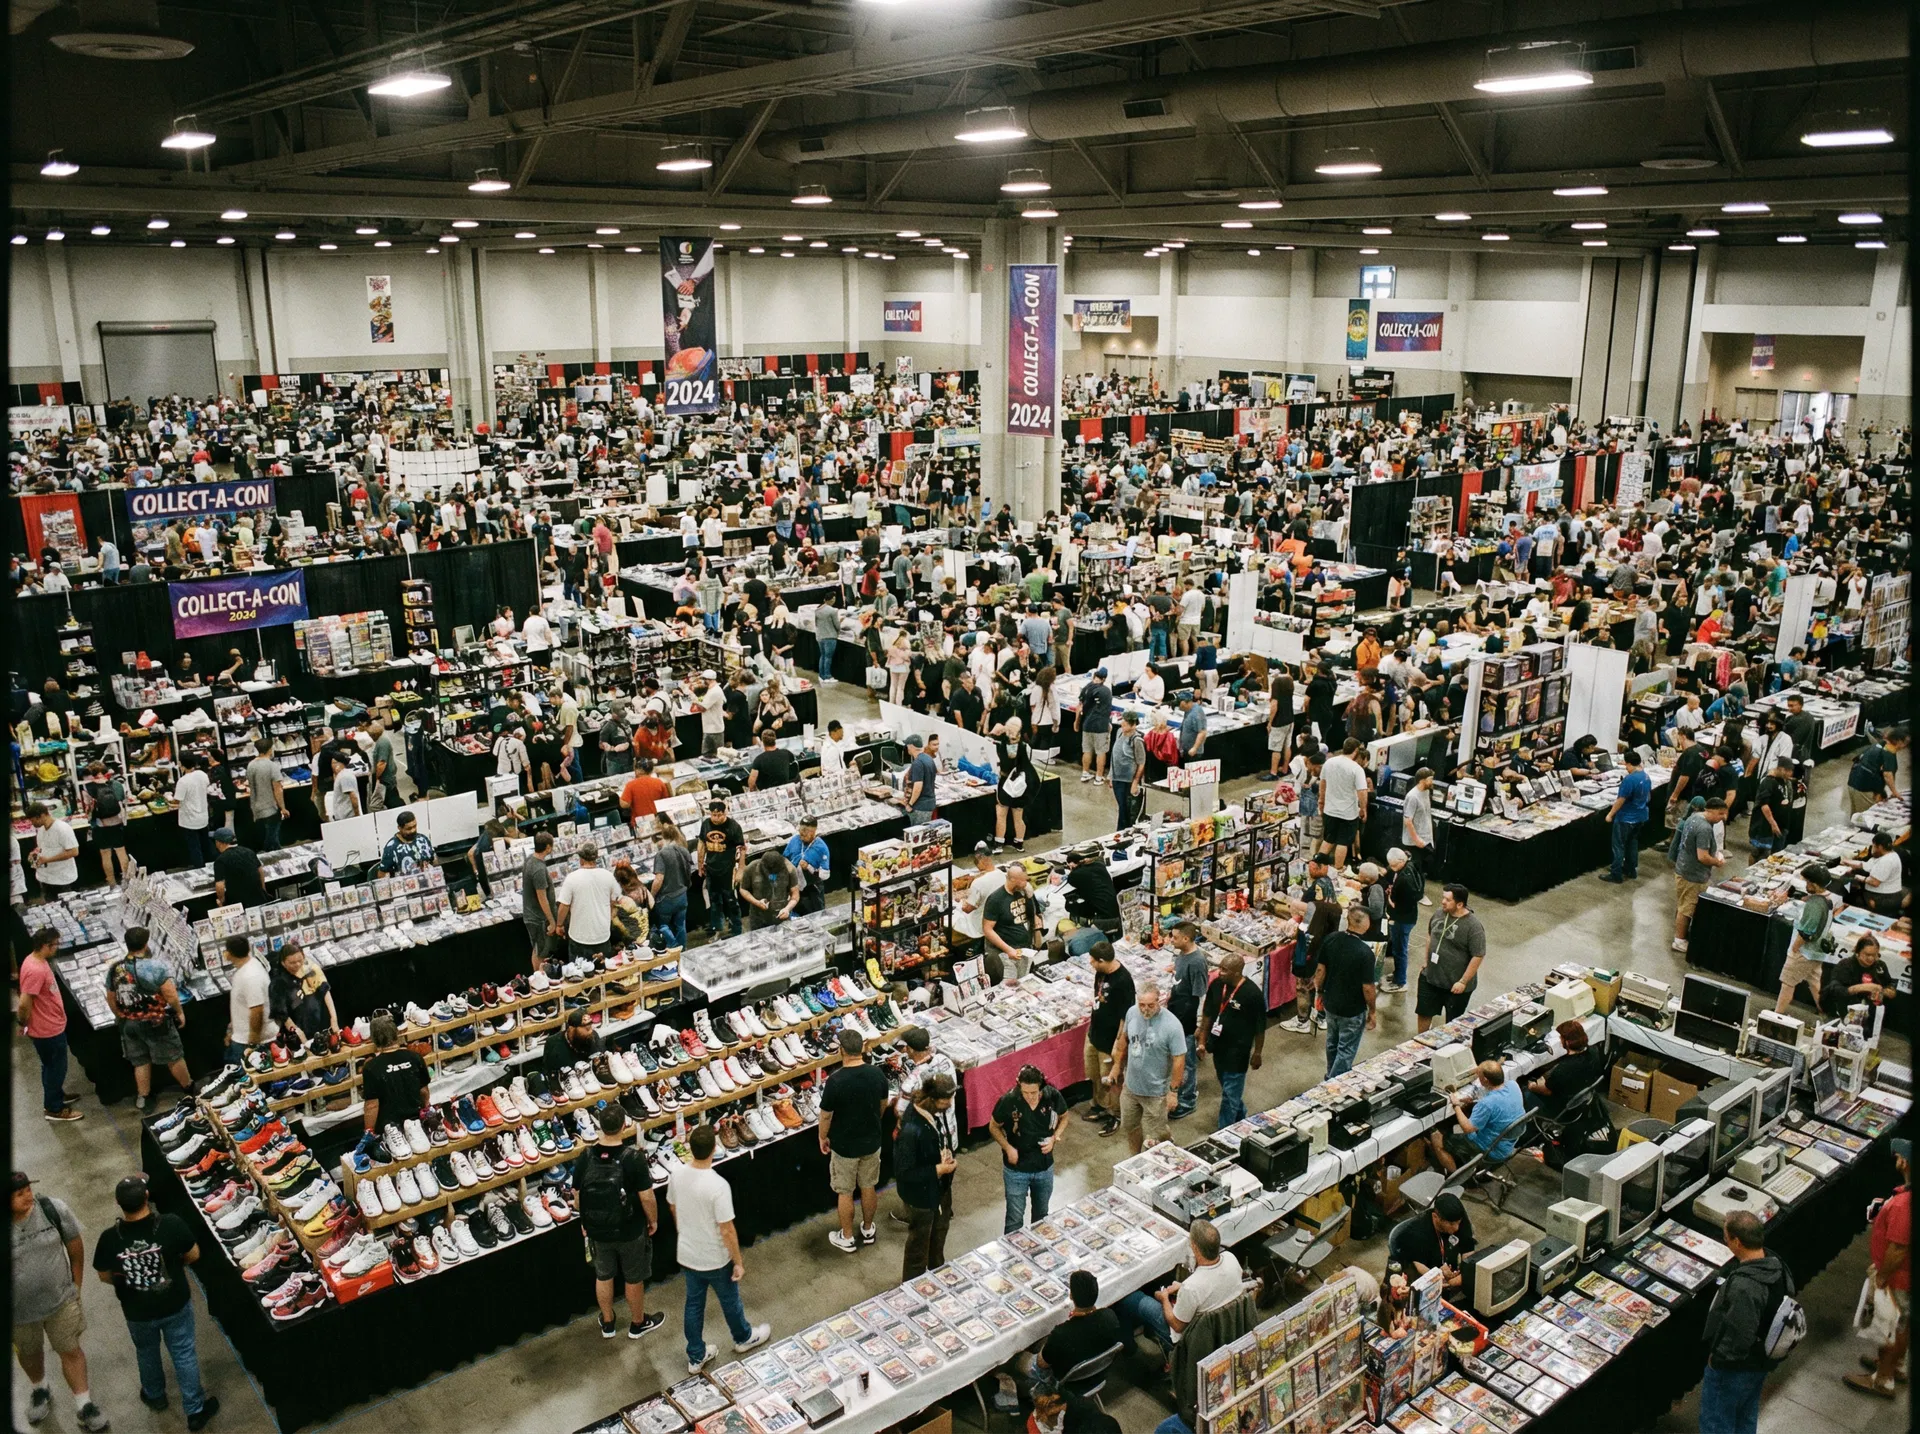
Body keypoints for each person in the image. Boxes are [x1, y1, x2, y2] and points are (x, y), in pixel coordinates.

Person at [92, 1175, 218, 1431]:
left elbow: (104, 1275)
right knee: (183, 1353)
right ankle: (194, 1411)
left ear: (118, 1202)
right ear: (147, 1196)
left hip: (136, 1310)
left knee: (146, 1351)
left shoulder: (110, 1238)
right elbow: (194, 1254)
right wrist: (173, 1267)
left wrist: (133, 1283)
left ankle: (155, 1395)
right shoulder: (171, 1224)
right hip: (174, 1304)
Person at [668, 1124, 771, 1373]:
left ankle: (696, 1356)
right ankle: (743, 1337)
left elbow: (672, 1206)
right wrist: (738, 1261)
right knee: (730, 1300)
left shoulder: (676, 1175)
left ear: (690, 1148)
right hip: (715, 1257)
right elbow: (727, 1229)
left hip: (688, 1253)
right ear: (714, 1149)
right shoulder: (718, 1186)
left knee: (693, 1305)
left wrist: (684, 1231)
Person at [12, 1172, 111, 1431]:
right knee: (29, 1353)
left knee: (71, 1350)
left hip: (61, 1303)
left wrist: (76, 1287)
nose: (28, 1196)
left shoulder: (53, 1210)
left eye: (28, 1189)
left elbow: (75, 1247)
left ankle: (84, 1405)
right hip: (19, 1313)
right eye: (20, 1193)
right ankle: (40, 1388)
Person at [575, 1105, 665, 1341]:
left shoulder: (585, 1157)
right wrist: (653, 1220)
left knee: (603, 1275)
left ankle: (608, 1323)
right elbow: (647, 1197)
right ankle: (637, 1323)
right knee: (634, 1277)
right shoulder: (633, 1158)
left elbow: (577, 1195)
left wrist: (586, 1219)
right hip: (630, 1229)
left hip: (597, 1230)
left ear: (600, 1127)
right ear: (624, 1126)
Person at [1700, 1210, 1794, 1434]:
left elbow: (1740, 1333)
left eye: (1726, 1237)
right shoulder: (1775, 1265)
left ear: (1737, 1242)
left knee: (1717, 1424)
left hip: (1734, 1369)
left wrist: (1718, 1361)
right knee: (1745, 1417)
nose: (1725, 1241)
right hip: (1758, 1363)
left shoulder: (1745, 1287)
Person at [1115, 1219, 1242, 1369]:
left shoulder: (1192, 1287)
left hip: (1191, 1337)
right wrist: (1181, 1286)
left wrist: (1164, 1299)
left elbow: (1176, 1326)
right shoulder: (1231, 1259)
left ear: (1194, 1247)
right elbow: (1214, 1283)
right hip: (1224, 1325)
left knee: (1129, 1299)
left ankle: (1129, 1350)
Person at [1845, 1137, 1910, 1398]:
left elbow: (1899, 1248)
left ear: (1905, 1163)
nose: (1897, 1160)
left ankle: (1883, 1379)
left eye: (1899, 1157)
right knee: (1903, 1323)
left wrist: (1882, 1277)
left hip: (1899, 1277)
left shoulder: (1905, 1205)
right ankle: (1896, 1365)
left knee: (1893, 1325)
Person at [104, 929, 190, 1113]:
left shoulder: (115, 968)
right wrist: (179, 1012)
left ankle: (143, 1097)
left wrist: (120, 1015)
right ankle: (189, 1087)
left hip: (129, 1023)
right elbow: (170, 994)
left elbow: (110, 997)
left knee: (140, 1060)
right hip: (155, 1021)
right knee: (173, 1056)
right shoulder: (155, 967)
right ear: (145, 944)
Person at [819, 1027, 888, 1253]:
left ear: (841, 1050)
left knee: (845, 1192)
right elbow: (883, 1104)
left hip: (844, 1146)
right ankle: (868, 1229)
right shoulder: (877, 1074)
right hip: (872, 1141)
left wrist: (822, 1137)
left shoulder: (835, 1081)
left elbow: (826, 1115)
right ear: (862, 1048)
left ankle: (847, 1237)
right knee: (869, 1186)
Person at [1108, 981, 1186, 1156]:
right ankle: (1135, 1158)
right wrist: (1116, 1066)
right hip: (1131, 1087)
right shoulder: (1132, 1013)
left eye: (1150, 1005)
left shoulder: (1172, 1026)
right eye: (1141, 1005)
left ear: (1159, 1001)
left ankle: (1167, 1145)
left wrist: (1173, 1092)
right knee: (1130, 1126)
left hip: (1156, 1093)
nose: (1145, 1010)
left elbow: (1179, 1060)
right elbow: (1123, 1041)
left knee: (1156, 1135)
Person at [990, 1064, 1069, 1232]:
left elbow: (1064, 1116)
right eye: (1025, 1092)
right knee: (1014, 1219)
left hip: (1043, 1166)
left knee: (1041, 1217)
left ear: (1041, 1087)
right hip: (1016, 1170)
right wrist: (1007, 1147)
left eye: (1034, 1092)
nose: (1029, 1097)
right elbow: (994, 1126)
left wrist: (1054, 1138)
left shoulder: (1051, 1095)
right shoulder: (1009, 1100)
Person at [894, 1073, 958, 1278]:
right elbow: (905, 1173)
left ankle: (937, 1276)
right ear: (931, 1099)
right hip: (920, 1199)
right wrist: (939, 1169)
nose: (949, 1104)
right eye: (945, 1101)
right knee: (918, 1248)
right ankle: (913, 1286)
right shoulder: (911, 1130)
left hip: (939, 1191)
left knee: (938, 1239)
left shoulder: (932, 1115)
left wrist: (942, 1155)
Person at [19, 927, 81, 1123]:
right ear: (46, 945)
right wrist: (23, 1023)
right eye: (55, 944)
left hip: (50, 1025)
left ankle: (56, 1095)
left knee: (51, 1066)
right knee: (56, 1068)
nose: (57, 947)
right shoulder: (35, 970)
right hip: (47, 1030)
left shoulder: (36, 961)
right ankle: (54, 1108)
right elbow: (24, 1003)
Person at [1197, 953, 1263, 1129]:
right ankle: (1241, 1115)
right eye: (1220, 968)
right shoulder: (1217, 985)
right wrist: (1202, 1041)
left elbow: (1259, 1027)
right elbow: (1208, 1014)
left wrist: (1257, 1053)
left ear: (1236, 972)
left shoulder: (1252, 994)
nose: (1220, 972)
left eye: (1224, 970)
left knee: (1229, 1095)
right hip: (1218, 1047)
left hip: (1238, 1052)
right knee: (1228, 1089)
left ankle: (1223, 1132)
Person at [1429, 1060, 1525, 1174]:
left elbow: (1467, 1128)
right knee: (1468, 1114)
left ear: (1485, 1080)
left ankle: (1458, 1176)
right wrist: (1474, 1099)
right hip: (1507, 1144)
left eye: (1479, 1076)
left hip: (1490, 1150)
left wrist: (1456, 1105)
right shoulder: (1513, 1085)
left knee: (1437, 1138)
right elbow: (1496, 1098)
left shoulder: (1486, 1104)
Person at [1316, 906, 1379, 1078]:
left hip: (1331, 1003)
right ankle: (1333, 1083)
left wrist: (1320, 992)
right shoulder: (1365, 952)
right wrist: (1372, 1011)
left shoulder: (1331, 939)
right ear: (1365, 923)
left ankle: (1330, 1075)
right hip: (1352, 1010)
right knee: (1346, 1049)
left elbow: (1320, 971)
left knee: (1332, 1042)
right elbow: (1368, 987)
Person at [356, 1015, 428, 1162]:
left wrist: (369, 1133)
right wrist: (426, 1112)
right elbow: (424, 1091)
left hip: (387, 1127)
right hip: (415, 1121)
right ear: (397, 1034)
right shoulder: (415, 1057)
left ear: (373, 1039)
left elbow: (371, 1105)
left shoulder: (371, 1067)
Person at [1415, 884, 1485, 1032]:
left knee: (1453, 1022)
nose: (1442, 902)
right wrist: (1426, 961)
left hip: (1455, 985)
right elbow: (1430, 935)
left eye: (1448, 900)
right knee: (1424, 1012)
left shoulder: (1473, 926)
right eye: (1443, 898)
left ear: (1459, 904)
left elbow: (1478, 955)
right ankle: (1420, 1040)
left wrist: (1463, 982)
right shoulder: (1439, 913)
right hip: (1430, 978)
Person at [1083, 942, 1133, 1137]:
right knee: (1094, 1074)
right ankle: (1101, 1106)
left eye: (1093, 961)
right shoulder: (1101, 972)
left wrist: (1118, 1044)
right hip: (1094, 1033)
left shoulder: (1123, 981)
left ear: (1102, 960)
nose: (1091, 963)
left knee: (1111, 1080)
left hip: (1110, 1039)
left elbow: (1125, 1017)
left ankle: (1116, 1115)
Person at [1035, 1270, 1122, 1382]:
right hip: (1100, 1372)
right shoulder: (1110, 1316)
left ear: (1071, 1296)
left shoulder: (1061, 1334)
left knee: (1023, 1358)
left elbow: (1042, 1364)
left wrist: (1046, 1342)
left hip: (1070, 1381)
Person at [1387, 1192, 1476, 1294]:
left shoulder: (1459, 1218)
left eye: (1458, 1222)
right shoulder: (1416, 1233)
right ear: (1435, 1217)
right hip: (1425, 1277)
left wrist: (1464, 1273)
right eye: (1451, 1224)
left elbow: (1468, 1250)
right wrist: (1436, 1278)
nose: (1456, 1228)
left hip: (1451, 1274)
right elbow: (1417, 1263)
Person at [1777, 863, 1837, 1013]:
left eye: (1808, 882)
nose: (1806, 885)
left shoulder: (1814, 905)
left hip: (1804, 952)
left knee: (1787, 983)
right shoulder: (1828, 898)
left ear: (1815, 884)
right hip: (1817, 952)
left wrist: (1795, 949)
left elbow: (1806, 932)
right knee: (1815, 983)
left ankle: (1776, 1014)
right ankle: (1824, 1012)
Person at [1672, 795, 1729, 954]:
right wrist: (1717, 862)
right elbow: (1702, 857)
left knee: (1683, 903)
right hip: (1693, 875)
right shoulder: (1704, 829)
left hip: (1683, 868)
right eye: (1720, 814)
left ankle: (1680, 932)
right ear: (1710, 810)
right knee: (1687, 908)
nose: (1723, 818)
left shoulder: (1694, 817)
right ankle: (1679, 940)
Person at [1165, 922, 1209, 1121]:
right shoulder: (1182, 955)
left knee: (1187, 1062)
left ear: (1186, 938)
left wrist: (1199, 1025)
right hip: (1177, 1013)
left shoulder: (1197, 962)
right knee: (1177, 1058)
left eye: (1174, 937)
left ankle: (1188, 1100)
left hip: (1188, 1019)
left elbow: (1201, 995)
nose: (1171, 940)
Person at [557, 841, 621, 961]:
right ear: (596, 857)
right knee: (603, 969)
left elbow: (564, 906)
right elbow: (614, 901)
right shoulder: (608, 876)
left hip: (579, 936)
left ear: (581, 859)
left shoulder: (572, 878)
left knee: (578, 971)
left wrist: (559, 925)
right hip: (602, 934)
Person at [1525, 1020, 1604, 1117]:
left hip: (1562, 1109)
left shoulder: (1562, 1070)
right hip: (1580, 1098)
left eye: (1561, 1037)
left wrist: (1532, 1086)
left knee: (1525, 1093)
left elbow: (1547, 1091)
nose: (1559, 1039)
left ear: (1567, 1042)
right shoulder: (1594, 1051)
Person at [697, 799, 747, 939]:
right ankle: (717, 929)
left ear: (725, 813)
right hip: (711, 869)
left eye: (719, 815)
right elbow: (701, 844)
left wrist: (741, 870)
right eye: (713, 815)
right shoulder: (706, 824)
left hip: (728, 870)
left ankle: (737, 928)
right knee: (714, 901)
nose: (716, 818)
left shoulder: (734, 826)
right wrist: (700, 864)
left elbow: (742, 849)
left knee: (731, 900)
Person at [267, 944, 336, 1044]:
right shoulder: (278, 982)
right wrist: (299, 1035)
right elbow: (283, 1015)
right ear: (283, 963)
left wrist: (334, 1019)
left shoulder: (310, 967)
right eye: (292, 963)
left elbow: (325, 990)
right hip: (299, 1030)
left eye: (300, 960)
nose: (297, 965)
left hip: (319, 1021)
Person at [1602, 749, 1653, 882]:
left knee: (1618, 846)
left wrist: (1610, 814)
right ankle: (1631, 869)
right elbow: (1648, 797)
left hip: (1626, 818)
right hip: (1640, 816)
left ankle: (1616, 873)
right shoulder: (1646, 776)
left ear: (1629, 764)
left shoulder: (1629, 779)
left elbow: (1621, 800)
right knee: (1632, 843)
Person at [1319, 738, 1369, 871]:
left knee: (1328, 840)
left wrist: (1321, 802)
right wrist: (1363, 809)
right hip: (1348, 813)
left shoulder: (1329, 762)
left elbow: (1322, 784)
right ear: (1356, 750)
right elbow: (1362, 792)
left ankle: (1318, 867)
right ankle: (1338, 870)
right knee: (1343, 842)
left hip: (1330, 810)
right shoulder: (1356, 769)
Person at [80, 760, 131, 886]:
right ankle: (127, 881)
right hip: (117, 823)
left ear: (91, 773)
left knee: (105, 854)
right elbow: (124, 801)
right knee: (121, 852)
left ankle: (112, 883)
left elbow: (87, 808)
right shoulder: (117, 784)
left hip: (101, 825)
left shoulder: (88, 787)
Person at [1823, 934, 1897, 1016]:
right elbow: (1833, 990)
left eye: (1875, 955)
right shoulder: (1845, 965)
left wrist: (1884, 991)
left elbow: (1890, 985)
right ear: (1858, 952)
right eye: (1867, 955)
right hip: (1845, 1009)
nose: (1871, 958)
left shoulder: (1880, 966)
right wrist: (1860, 988)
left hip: (1871, 1011)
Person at [647, 824, 695, 951]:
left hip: (666, 898)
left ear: (663, 837)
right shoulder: (684, 850)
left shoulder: (662, 854)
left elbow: (659, 879)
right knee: (681, 925)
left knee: (663, 925)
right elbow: (689, 871)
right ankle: (683, 949)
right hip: (682, 895)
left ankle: (673, 947)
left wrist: (652, 895)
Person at [1383, 847, 1423, 992]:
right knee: (1398, 948)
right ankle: (1398, 974)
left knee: (1399, 950)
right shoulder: (1411, 865)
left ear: (1401, 861)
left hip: (1401, 919)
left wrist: (1389, 895)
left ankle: (1400, 982)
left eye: (1394, 866)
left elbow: (1394, 903)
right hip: (1409, 916)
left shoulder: (1404, 880)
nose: (1392, 869)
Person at [1846, 726, 1906, 816]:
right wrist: (1894, 792)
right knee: (1866, 817)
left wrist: (1880, 792)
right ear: (1899, 741)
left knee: (1857, 815)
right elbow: (1887, 775)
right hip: (1863, 788)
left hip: (1854, 783)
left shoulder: (1881, 745)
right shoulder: (1888, 753)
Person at [521, 829, 559, 973]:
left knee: (537, 950)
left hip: (532, 915)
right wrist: (552, 921)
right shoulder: (539, 869)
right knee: (541, 953)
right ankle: (539, 978)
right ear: (548, 847)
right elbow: (542, 898)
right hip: (538, 919)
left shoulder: (530, 860)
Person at [27, 802, 80, 898]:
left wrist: (47, 860)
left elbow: (74, 851)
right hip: (45, 878)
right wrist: (35, 853)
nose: (32, 824)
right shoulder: (41, 830)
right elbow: (42, 847)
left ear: (42, 816)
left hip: (62, 879)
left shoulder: (62, 828)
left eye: (33, 820)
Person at [243, 738, 287, 852]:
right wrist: (283, 808)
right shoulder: (272, 766)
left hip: (255, 806)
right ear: (270, 749)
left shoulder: (251, 765)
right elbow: (277, 789)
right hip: (270, 807)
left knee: (266, 836)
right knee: (272, 837)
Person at [781, 818, 830, 916]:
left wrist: (809, 867)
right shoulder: (795, 840)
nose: (801, 835)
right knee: (796, 915)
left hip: (812, 889)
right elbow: (784, 858)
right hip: (795, 887)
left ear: (813, 832)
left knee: (816, 916)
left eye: (805, 833)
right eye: (800, 831)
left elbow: (825, 875)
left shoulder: (821, 848)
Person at [740, 849, 798, 931]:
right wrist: (757, 902)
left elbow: (795, 896)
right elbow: (743, 889)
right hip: (758, 916)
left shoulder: (790, 869)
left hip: (781, 914)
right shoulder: (752, 868)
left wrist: (787, 909)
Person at [172, 754, 212, 868]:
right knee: (205, 844)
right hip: (203, 816)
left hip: (189, 820)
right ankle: (210, 867)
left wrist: (169, 798)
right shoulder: (202, 774)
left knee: (194, 848)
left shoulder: (183, 781)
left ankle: (200, 869)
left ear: (182, 765)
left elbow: (177, 800)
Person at [1110, 710, 1148, 828]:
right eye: (1123, 721)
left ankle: (1123, 831)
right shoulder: (1119, 732)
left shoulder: (1137, 740)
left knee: (1126, 811)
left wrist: (1135, 782)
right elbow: (1114, 755)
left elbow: (1141, 763)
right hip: (1117, 778)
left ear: (1133, 725)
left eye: (1126, 723)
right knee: (1121, 807)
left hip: (1128, 781)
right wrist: (1111, 775)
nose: (1122, 724)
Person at [209, 829, 265, 908]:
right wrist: (263, 890)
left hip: (238, 903)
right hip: (257, 898)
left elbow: (220, 885)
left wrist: (221, 902)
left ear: (218, 843)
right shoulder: (249, 851)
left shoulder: (220, 860)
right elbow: (260, 871)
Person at [1077, 666, 1113, 785]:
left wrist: (1076, 722)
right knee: (1101, 751)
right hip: (1100, 726)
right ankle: (1098, 777)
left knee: (1087, 750)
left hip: (1087, 724)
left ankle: (1085, 773)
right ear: (1104, 679)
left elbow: (1080, 706)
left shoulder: (1086, 688)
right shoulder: (1106, 691)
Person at [620, 758, 670, 831]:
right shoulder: (659, 782)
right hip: (657, 822)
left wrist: (621, 795)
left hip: (639, 825)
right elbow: (665, 801)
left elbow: (624, 804)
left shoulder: (630, 785)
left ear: (639, 770)